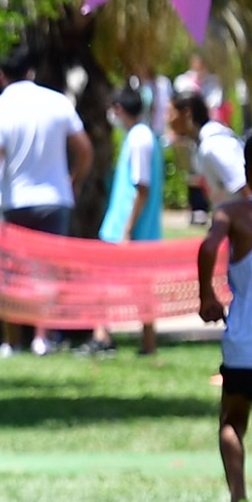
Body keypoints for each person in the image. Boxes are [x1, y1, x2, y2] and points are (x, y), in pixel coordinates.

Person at [0, 51, 92, 356]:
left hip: (14, 201)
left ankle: (11, 341)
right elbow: (85, 150)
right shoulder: (57, 102)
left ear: (1, 76)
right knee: (47, 271)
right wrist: (72, 181)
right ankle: (41, 337)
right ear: (32, 72)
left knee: (10, 271)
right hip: (54, 199)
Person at [198, 129, 252, 502]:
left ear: (246, 169)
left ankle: (239, 497)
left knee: (232, 422)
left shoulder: (235, 212)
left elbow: (209, 245)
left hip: (246, 342)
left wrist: (207, 294)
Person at [97, 87, 164, 358]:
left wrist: (126, 229)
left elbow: (142, 188)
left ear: (119, 109)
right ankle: (146, 342)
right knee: (141, 286)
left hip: (127, 230)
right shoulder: (142, 136)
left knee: (103, 283)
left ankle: (103, 338)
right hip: (135, 229)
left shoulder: (139, 139)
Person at [179, 91, 247, 217]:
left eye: (170, 113)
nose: (167, 119)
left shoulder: (214, 144)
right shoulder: (200, 144)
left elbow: (244, 186)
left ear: (187, 113)